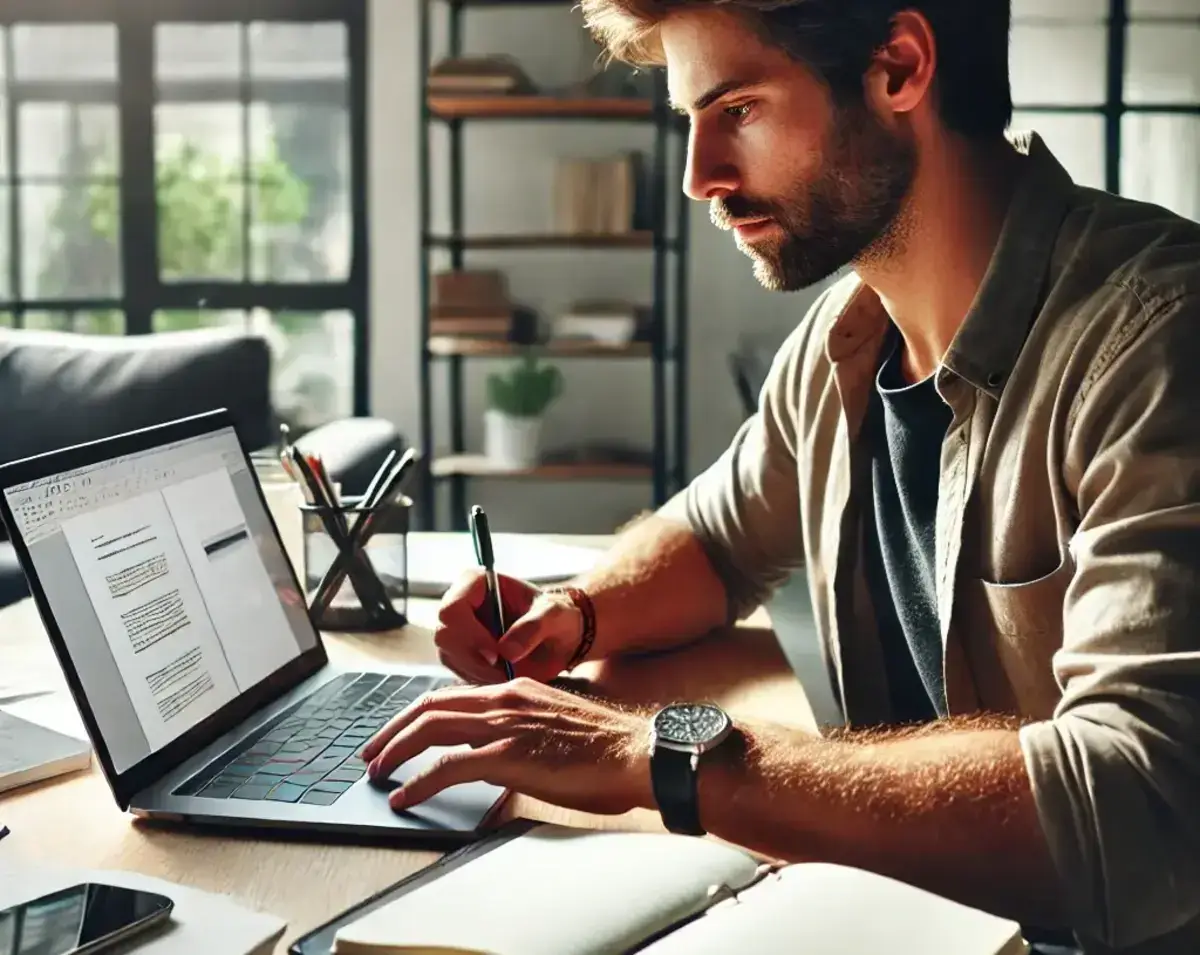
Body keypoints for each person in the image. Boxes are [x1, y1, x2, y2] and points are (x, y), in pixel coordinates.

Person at [362, 2, 1200, 951]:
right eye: (692, 121)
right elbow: (718, 541)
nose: (698, 176)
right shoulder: (848, 337)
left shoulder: (1158, 339)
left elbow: (1145, 801)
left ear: (898, 69)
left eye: (740, 111)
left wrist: (663, 753)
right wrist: (577, 611)